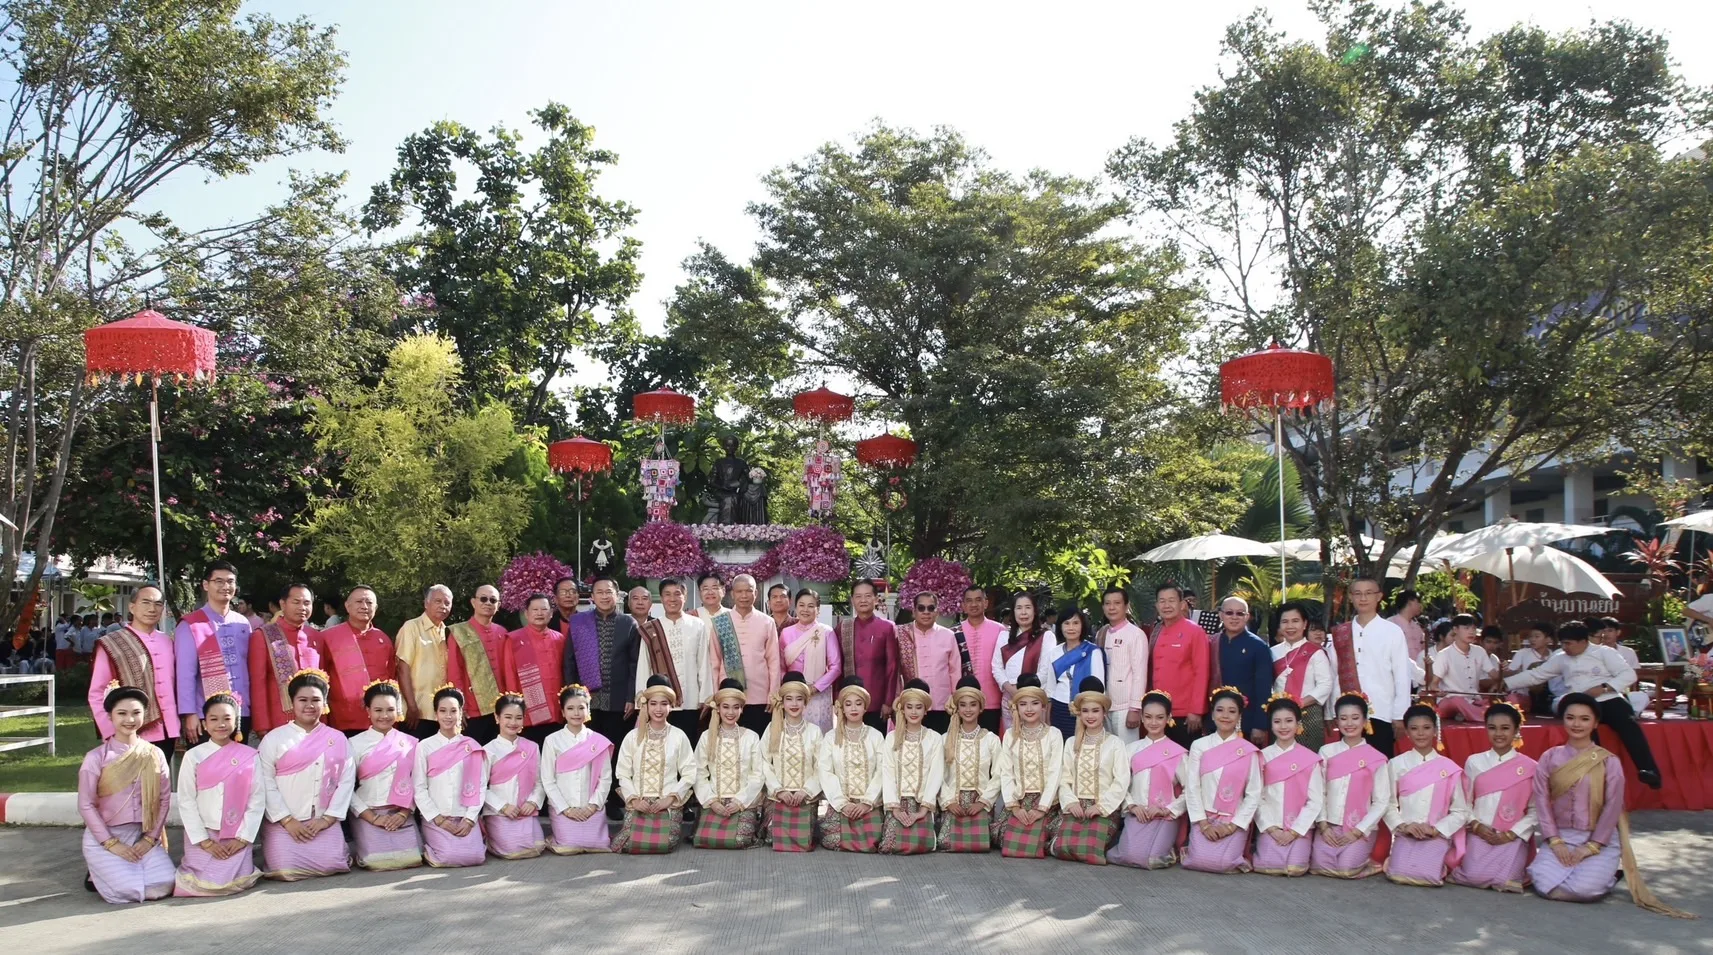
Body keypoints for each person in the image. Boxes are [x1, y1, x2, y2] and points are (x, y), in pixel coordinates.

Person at [1528, 693, 1692, 916]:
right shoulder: (1549, 757)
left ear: (1595, 723)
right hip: (1561, 836)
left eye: (1584, 719)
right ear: (1563, 720)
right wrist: (1554, 841)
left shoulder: (1608, 761)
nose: (1576, 724)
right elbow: (1541, 800)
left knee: (1584, 890)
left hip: (1598, 838)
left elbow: (1613, 806)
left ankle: (1608, 875)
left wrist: (1592, 846)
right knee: (1543, 883)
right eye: (1571, 717)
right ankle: (1596, 872)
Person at [1503, 622, 1662, 789]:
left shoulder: (1604, 653)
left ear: (1583, 641)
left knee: (1627, 722)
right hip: (1579, 701)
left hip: (1607, 696)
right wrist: (1506, 683)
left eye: (1568, 643)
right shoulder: (1560, 657)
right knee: (1585, 726)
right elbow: (1537, 675)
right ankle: (1598, 774)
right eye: (1563, 643)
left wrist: (1604, 688)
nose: (1565, 648)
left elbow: (1628, 674)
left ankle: (1649, 770)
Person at [80, 684, 175, 903]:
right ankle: (100, 870)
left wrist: (150, 839)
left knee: (164, 884)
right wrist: (112, 844)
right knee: (128, 890)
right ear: (110, 716)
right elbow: (85, 804)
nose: (129, 719)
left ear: (144, 715)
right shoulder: (96, 758)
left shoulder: (154, 753)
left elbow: (164, 799)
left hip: (142, 836)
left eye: (136, 713)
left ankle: (108, 874)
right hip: (106, 837)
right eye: (122, 713)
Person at [257, 669, 354, 881]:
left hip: (322, 820)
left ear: (324, 702)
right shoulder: (274, 739)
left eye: (316, 700)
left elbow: (346, 781)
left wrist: (327, 819)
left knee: (332, 864)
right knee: (284, 870)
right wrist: (287, 820)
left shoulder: (337, 738)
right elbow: (264, 782)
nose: (309, 705)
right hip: (284, 822)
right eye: (303, 700)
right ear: (291, 702)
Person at [174, 692, 264, 897]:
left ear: (236, 721)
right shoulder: (193, 756)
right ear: (204, 724)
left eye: (227, 718)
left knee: (233, 881)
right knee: (201, 883)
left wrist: (243, 838)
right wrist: (204, 841)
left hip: (236, 834)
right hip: (204, 833)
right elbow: (186, 800)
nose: (221, 724)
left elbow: (257, 799)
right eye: (214, 719)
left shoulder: (249, 756)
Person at [1448, 701, 1536, 892]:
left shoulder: (1530, 767)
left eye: (1505, 728)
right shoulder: (1475, 762)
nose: (1498, 734)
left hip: (1512, 836)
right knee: (1473, 876)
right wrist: (1477, 826)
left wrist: (1512, 833)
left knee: (1506, 881)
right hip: (1480, 832)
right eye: (1492, 728)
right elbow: (1464, 801)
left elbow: (1535, 810)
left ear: (1516, 730)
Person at [564, 577, 641, 791]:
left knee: (616, 749)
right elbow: (569, 661)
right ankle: (588, 793)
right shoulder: (579, 622)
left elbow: (635, 664)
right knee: (588, 749)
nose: (605, 596)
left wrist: (631, 697)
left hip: (619, 701)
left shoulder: (628, 624)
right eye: (600, 592)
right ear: (592, 597)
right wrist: (571, 696)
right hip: (587, 701)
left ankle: (614, 795)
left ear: (617, 595)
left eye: (609, 592)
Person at [1382, 702, 1469, 886]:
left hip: (1436, 834)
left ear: (1435, 730)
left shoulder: (1449, 768)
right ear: (1407, 732)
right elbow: (1388, 803)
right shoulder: (1396, 764)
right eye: (1414, 728)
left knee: (1428, 876)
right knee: (1398, 874)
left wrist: (1436, 829)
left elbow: (1460, 811)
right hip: (1406, 832)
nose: (1420, 733)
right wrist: (1404, 826)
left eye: (1426, 728)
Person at [88, 586, 178, 765]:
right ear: (132, 607)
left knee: (160, 779)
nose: (152, 609)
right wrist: (111, 731)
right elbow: (98, 692)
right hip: (129, 730)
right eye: (145, 602)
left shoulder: (167, 641)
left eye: (158, 604)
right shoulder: (114, 643)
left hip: (168, 729)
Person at [1328, 576, 1413, 756]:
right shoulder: (1341, 633)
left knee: (1379, 764)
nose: (1363, 598)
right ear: (1350, 597)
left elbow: (1402, 675)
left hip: (1381, 711)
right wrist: (1332, 711)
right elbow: (1334, 674)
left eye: (1368, 593)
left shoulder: (1392, 631)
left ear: (1379, 596)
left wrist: (1400, 714)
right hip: (1348, 714)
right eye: (1358, 593)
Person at [1180, 686, 1262, 874]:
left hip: (1233, 820)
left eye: (1232, 711)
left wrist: (1233, 826)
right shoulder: (1199, 746)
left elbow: (1254, 793)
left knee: (1224, 863)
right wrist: (1203, 823)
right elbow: (1192, 787)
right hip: (1204, 817)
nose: (1225, 716)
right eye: (1220, 710)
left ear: (1239, 716)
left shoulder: (1248, 751)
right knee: (1199, 861)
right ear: (1212, 714)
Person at [612, 675, 697, 854]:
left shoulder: (678, 736)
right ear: (646, 706)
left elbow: (689, 772)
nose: (659, 709)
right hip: (639, 801)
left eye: (664, 704)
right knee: (627, 843)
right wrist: (635, 800)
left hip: (667, 803)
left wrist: (670, 798)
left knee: (665, 843)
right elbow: (623, 773)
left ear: (671, 706)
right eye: (653, 704)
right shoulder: (632, 737)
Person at [176, 561, 258, 746]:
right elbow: (185, 674)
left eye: (230, 581)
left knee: (239, 762)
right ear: (206, 585)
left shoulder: (242, 623)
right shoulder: (191, 624)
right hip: (206, 714)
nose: (225, 586)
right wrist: (189, 714)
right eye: (218, 581)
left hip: (240, 712)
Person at [1310, 692, 1390, 879]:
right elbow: (1318, 791)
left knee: (1346, 870)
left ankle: (1371, 865)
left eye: (1355, 718)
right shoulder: (1326, 752)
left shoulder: (1376, 758)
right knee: (1318, 867)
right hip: (1330, 825)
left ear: (1365, 720)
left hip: (1360, 828)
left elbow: (1382, 801)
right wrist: (1323, 825)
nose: (1349, 723)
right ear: (1337, 721)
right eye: (1343, 718)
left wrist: (1358, 831)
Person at [346, 680, 423, 871]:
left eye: (390, 710)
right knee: (375, 861)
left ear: (398, 710)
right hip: (367, 812)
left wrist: (404, 813)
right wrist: (371, 817)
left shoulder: (411, 743)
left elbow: (419, 782)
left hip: (401, 812)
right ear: (368, 711)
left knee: (413, 858)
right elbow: (345, 787)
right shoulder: (354, 744)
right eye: (378, 710)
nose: (384, 716)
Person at [1050, 676, 1127, 865]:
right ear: (1079, 713)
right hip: (1076, 805)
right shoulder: (1071, 743)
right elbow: (1064, 778)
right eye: (1085, 711)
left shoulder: (1115, 743)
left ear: (1104, 713)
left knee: (1089, 850)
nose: (1090, 716)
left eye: (1095, 710)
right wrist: (1071, 803)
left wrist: (1100, 807)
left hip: (1103, 807)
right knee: (1062, 848)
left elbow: (1121, 780)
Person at [1109, 690, 1187, 869]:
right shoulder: (1131, 750)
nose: (1153, 722)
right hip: (1138, 813)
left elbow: (1190, 789)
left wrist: (1168, 809)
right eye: (1148, 717)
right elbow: (1120, 784)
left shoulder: (1178, 753)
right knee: (1129, 856)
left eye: (1159, 717)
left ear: (1168, 718)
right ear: (1142, 718)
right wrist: (1132, 806)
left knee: (1152, 860)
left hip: (1165, 816)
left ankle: (1170, 851)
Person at [413, 685, 488, 867]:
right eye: (443, 711)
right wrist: (437, 818)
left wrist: (470, 819)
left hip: (464, 816)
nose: (448, 716)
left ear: (461, 713)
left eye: (453, 711)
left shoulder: (472, 746)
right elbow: (419, 787)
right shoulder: (424, 746)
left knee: (476, 857)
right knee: (446, 857)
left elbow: (480, 786)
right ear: (435, 714)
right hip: (436, 816)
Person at [1252, 694, 1324, 876]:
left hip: (1299, 828)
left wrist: (1294, 831)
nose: (1283, 726)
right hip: (1271, 825)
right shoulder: (1262, 757)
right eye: (1277, 722)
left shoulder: (1310, 759)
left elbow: (1315, 800)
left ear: (1298, 724)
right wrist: (1271, 828)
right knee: (1267, 866)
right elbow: (1256, 796)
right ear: (1271, 725)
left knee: (1295, 868)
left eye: (1289, 721)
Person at [635, 579, 713, 745]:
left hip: (690, 699)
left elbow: (703, 662)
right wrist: (642, 697)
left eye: (677, 594)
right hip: (659, 703)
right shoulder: (651, 628)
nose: (672, 599)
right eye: (667, 594)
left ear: (685, 597)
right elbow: (644, 664)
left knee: (688, 744)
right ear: (661, 598)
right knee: (660, 745)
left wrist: (705, 696)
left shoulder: (697, 625)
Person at [993, 674, 1064, 858]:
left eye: (1035, 703)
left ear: (1043, 706)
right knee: (1004, 836)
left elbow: (1055, 772)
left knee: (1049, 834)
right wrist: (1015, 807)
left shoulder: (1054, 734)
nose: (1029, 709)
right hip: (1019, 801)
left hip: (1048, 802)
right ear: (1016, 708)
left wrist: (1041, 808)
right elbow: (1006, 773)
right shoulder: (1010, 735)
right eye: (1023, 704)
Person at [540, 684, 614, 854]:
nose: (576, 713)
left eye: (581, 708)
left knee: (598, 845)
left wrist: (592, 806)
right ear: (563, 712)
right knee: (568, 847)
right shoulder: (552, 741)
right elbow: (548, 780)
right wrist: (566, 809)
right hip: (563, 808)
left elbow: (605, 778)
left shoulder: (598, 741)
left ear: (588, 710)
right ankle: (554, 837)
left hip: (591, 808)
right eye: (570, 708)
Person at [693, 678, 766, 849]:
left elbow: (757, 774)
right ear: (718, 708)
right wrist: (711, 801)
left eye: (736, 707)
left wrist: (739, 801)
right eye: (726, 707)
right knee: (704, 839)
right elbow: (699, 772)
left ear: (742, 709)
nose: (730, 712)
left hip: (742, 802)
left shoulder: (751, 737)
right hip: (714, 801)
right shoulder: (706, 737)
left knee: (739, 840)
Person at [818, 677, 886, 853]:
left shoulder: (876, 736)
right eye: (848, 704)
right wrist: (843, 803)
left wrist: (867, 802)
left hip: (868, 803)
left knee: (875, 840)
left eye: (858, 703)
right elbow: (825, 771)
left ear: (865, 707)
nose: (854, 708)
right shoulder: (831, 737)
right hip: (842, 803)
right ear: (842, 708)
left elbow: (882, 771)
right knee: (832, 839)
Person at [247, 583, 323, 738]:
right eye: (296, 602)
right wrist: (262, 725)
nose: (302, 607)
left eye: (307, 603)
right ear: (282, 604)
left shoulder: (316, 636)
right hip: (279, 721)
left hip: (316, 721)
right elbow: (258, 683)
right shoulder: (263, 636)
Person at [710, 574, 782, 735]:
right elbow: (714, 662)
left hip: (760, 696)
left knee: (758, 741)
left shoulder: (767, 622)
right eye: (739, 591)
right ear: (732, 594)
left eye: (749, 591)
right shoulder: (720, 622)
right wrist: (716, 694)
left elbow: (774, 660)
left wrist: (773, 693)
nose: (744, 595)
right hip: (728, 697)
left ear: (755, 593)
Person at [319, 585, 394, 737]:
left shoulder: (383, 639)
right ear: (347, 606)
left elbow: (392, 677)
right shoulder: (329, 637)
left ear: (375, 608)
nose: (364, 606)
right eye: (359, 601)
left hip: (380, 720)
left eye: (369, 602)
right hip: (342, 719)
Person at [879, 679, 944, 854]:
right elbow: (888, 772)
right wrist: (895, 808)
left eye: (918, 707)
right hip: (897, 802)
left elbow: (936, 774)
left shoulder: (934, 738)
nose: (914, 712)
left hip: (922, 803)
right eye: (909, 707)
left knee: (921, 844)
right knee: (890, 845)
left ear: (925, 710)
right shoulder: (892, 738)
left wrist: (923, 810)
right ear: (903, 709)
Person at [761, 671, 824, 852]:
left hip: (805, 797)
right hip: (778, 796)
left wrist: (806, 791)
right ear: (782, 702)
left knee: (803, 838)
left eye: (799, 699)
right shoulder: (772, 729)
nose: (794, 704)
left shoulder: (814, 732)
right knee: (772, 835)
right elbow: (763, 762)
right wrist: (779, 790)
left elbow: (821, 766)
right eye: (789, 699)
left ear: (806, 702)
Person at [937, 675, 999, 853]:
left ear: (981, 707)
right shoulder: (945, 739)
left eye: (973, 704)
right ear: (957, 708)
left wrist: (983, 803)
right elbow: (937, 775)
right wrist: (948, 802)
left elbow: (999, 775)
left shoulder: (991, 740)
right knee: (946, 842)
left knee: (981, 843)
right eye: (963, 705)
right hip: (953, 801)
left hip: (980, 802)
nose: (968, 709)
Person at [482, 692, 546, 860]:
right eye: (508, 717)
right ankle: (490, 838)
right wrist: (503, 807)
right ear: (497, 718)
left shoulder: (532, 747)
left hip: (525, 811)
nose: (513, 722)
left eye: (518, 718)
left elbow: (540, 782)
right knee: (512, 851)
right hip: (499, 813)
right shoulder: (488, 750)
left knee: (538, 846)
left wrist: (533, 802)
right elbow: (480, 788)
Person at [446, 584, 510, 745]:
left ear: (498, 605)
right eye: (483, 599)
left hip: (501, 708)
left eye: (493, 600)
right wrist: (459, 705)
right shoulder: (459, 632)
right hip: (472, 708)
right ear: (473, 602)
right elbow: (454, 671)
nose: (488, 603)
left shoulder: (502, 632)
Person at [1151, 584, 1211, 748]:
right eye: (1162, 601)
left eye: (1171, 600)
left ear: (1182, 604)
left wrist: (1196, 710)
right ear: (1156, 605)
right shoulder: (1156, 631)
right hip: (1159, 711)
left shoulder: (1195, 631)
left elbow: (1202, 672)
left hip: (1185, 713)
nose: (1166, 605)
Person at [505, 593, 566, 746]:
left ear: (551, 613)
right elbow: (509, 674)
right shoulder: (514, 639)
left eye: (544, 609)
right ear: (526, 613)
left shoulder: (559, 638)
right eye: (535, 609)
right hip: (529, 711)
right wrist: (514, 705)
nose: (540, 613)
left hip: (556, 708)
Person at [839, 579, 900, 733]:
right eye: (858, 596)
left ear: (876, 599)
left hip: (877, 702)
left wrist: (888, 701)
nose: (863, 600)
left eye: (867, 596)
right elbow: (838, 666)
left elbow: (892, 667)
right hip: (849, 701)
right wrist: (837, 700)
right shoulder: (843, 628)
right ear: (852, 600)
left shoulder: (887, 627)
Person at [896, 593, 961, 735]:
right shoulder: (901, 635)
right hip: (912, 706)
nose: (926, 612)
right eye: (921, 608)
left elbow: (955, 671)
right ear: (913, 611)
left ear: (937, 612)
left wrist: (955, 698)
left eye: (931, 608)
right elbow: (895, 671)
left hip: (942, 705)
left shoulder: (948, 635)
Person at [395, 585, 455, 739]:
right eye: (438, 601)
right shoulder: (412, 627)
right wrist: (412, 706)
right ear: (426, 603)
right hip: (416, 713)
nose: (443, 606)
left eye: (447, 603)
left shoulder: (448, 633)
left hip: (441, 715)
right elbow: (402, 668)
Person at [1271, 602, 1332, 752]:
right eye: (1285, 622)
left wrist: (1301, 702)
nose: (1290, 626)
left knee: (1307, 757)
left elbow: (1325, 684)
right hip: (1279, 715)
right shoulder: (1272, 652)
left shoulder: (1316, 652)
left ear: (1304, 624)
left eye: (1295, 621)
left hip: (1308, 714)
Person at [1213, 597, 1273, 746]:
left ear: (1247, 617)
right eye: (1229, 612)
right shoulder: (1212, 642)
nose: (1234, 617)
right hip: (1216, 720)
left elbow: (1264, 689)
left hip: (1247, 722)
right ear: (1221, 615)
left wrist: (1260, 725)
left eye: (1240, 613)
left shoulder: (1258, 646)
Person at [992, 591, 1054, 734]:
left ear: (1035, 610)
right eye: (1019, 608)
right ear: (1013, 612)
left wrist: (1026, 693)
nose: (1023, 612)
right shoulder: (1004, 636)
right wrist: (1012, 690)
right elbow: (997, 667)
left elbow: (1045, 670)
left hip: (1035, 699)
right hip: (1010, 698)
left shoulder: (1046, 636)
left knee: (1034, 738)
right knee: (1011, 738)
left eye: (1028, 607)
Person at [779, 589, 841, 731]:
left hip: (818, 693)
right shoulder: (786, 633)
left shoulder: (826, 632)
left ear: (818, 610)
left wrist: (814, 688)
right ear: (796, 608)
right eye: (801, 605)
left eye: (811, 606)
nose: (805, 609)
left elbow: (836, 667)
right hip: (793, 694)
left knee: (817, 735)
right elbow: (780, 665)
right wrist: (789, 686)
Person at [1098, 586, 1148, 745]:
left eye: (1117, 603)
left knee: (1127, 751)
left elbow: (1140, 673)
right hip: (1104, 704)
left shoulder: (1136, 634)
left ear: (1126, 606)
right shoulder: (1102, 633)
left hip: (1125, 706)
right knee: (1108, 751)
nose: (1111, 607)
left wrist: (1135, 708)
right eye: (1107, 603)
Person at [956, 586, 1006, 733]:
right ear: (963, 605)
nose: (974, 604)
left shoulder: (1000, 630)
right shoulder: (954, 632)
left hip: (992, 700)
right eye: (969, 601)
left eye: (978, 600)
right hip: (964, 702)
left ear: (986, 603)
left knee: (991, 741)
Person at [1434, 613, 1499, 723]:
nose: (1471, 632)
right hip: (1449, 701)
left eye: (1473, 628)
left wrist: (1500, 674)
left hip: (1473, 700)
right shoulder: (1444, 654)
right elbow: (1433, 684)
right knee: (1457, 701)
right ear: (1455, 629)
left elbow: (1495, 676)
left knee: (1492, 703)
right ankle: (1487, 718)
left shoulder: (1479, 651)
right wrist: (1438, 691)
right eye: (1466, 628)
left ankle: (1466, 714)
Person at [1593, 617, 1651, 714]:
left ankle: (1631, 712)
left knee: (1642, 697)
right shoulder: (1593, 652)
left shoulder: (1628, 652)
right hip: (1600, 692)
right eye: (1603, 631)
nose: (1606, 634)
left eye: (1610, 630)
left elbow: (1634, 677)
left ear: (1618, 632)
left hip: (1622, 692)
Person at [1506, 622, 1558, 715]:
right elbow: (1510, 673)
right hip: (1523, 694)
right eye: (1530, 636)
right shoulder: (1522, 653)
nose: (1532, 639)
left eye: (1537, 636)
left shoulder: (1554, 656)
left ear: (1548, 639)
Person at [1389, 590, 1425, 664]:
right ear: (1410, 602)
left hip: (1417, 669)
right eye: (1418, 602)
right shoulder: (1390, 624)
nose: (1420, 605)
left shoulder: (1417, 628)